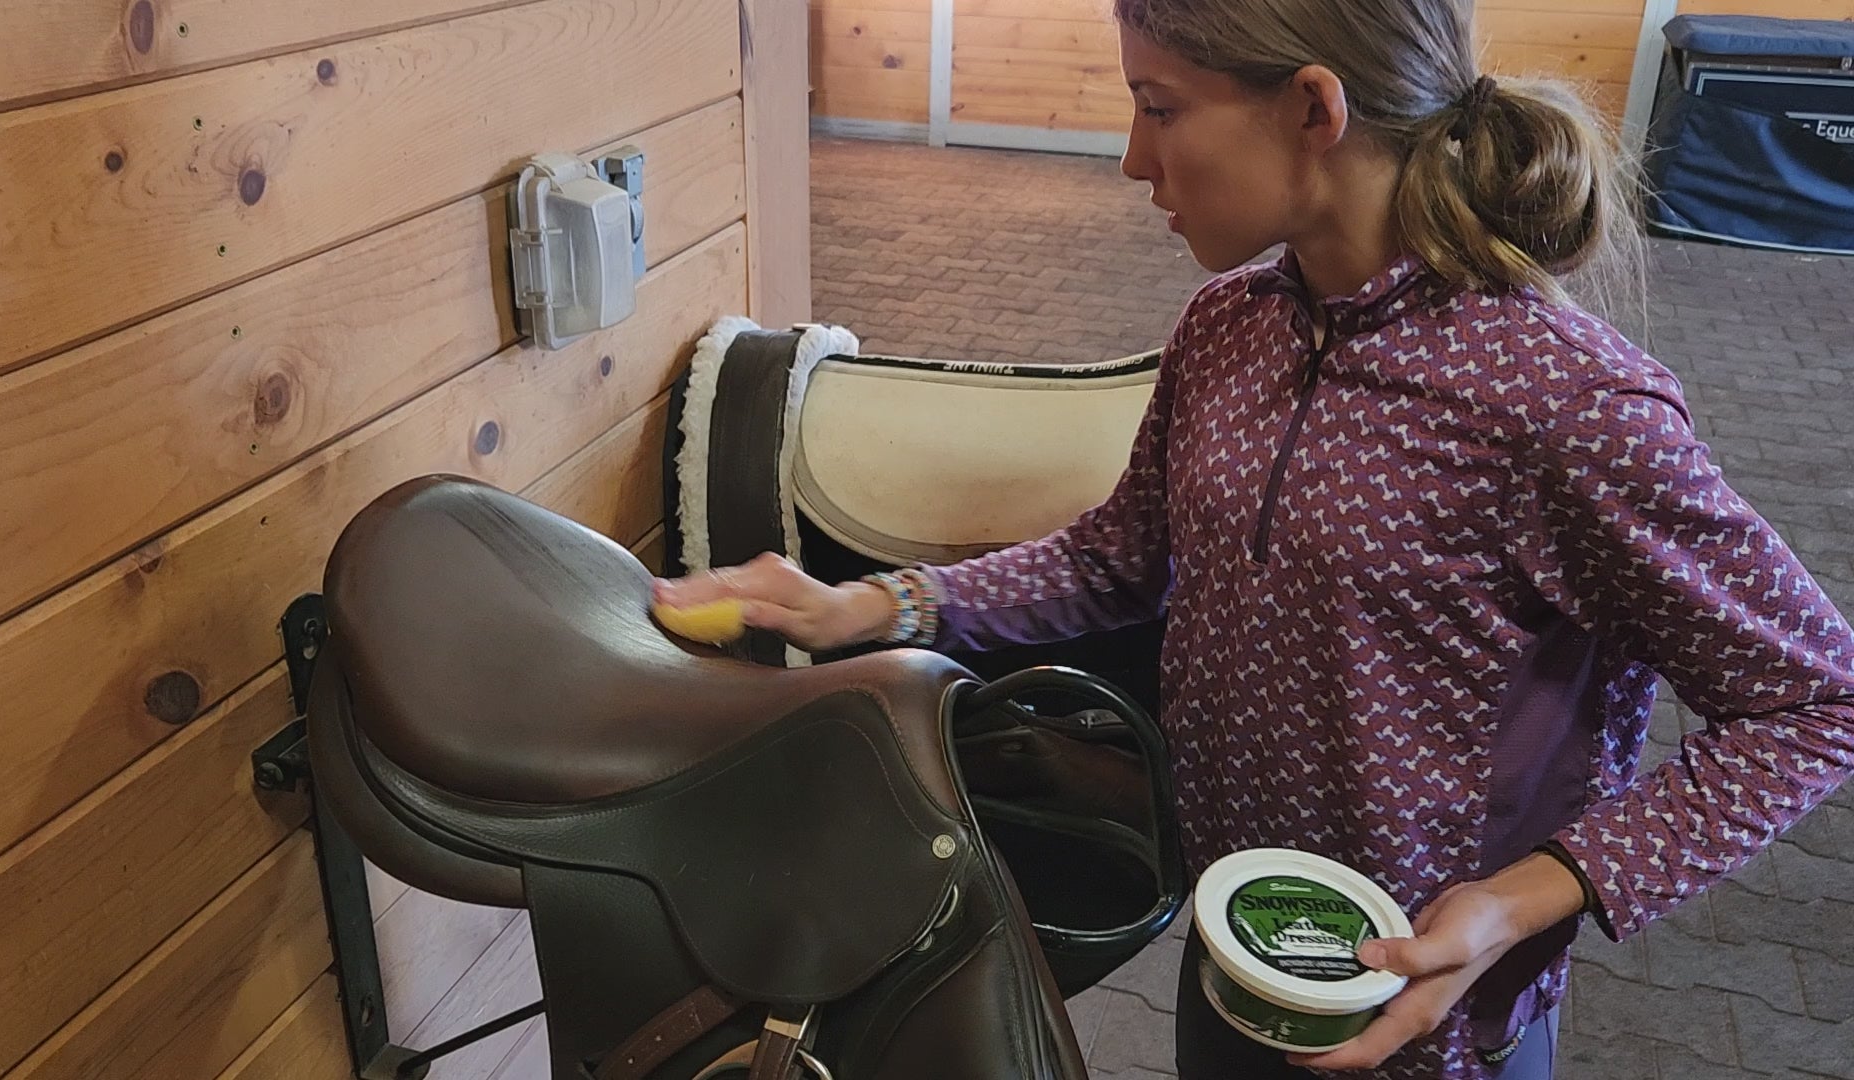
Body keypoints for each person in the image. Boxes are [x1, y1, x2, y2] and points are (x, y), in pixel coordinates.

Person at [653, 0, 1854, 1075]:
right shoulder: (1227, 325)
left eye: (1158, 107)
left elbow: (1814, 705)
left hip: (1427, 1018)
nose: (1133, 158)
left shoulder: (1566, 409)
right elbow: (1117, 556)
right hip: (1240, 945)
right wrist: (870, 605)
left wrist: (1523, 901)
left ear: (1313, 108)